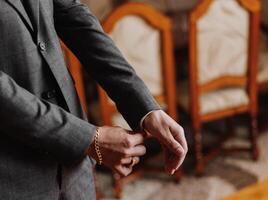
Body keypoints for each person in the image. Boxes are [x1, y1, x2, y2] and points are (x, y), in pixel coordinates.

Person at [0, 0, 187, 199]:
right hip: (12, 176)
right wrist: (87, 139)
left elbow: (74, 16)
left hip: (76, 170)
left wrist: (145, 108)